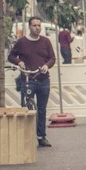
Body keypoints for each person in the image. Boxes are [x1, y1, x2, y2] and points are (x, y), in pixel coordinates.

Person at [7, 16, 58, 148]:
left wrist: (47, 65)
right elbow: (11, 56)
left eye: (39, 25)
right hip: (28, 79)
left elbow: (52, 58)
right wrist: (20, 62)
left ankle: (41, 137)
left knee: (41, 109)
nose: (37, 28)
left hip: (43, 79)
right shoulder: (21, 42)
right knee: (27, 109)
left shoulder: (46, 41)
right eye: (35, 25)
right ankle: (27, 137)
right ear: (29, 27)